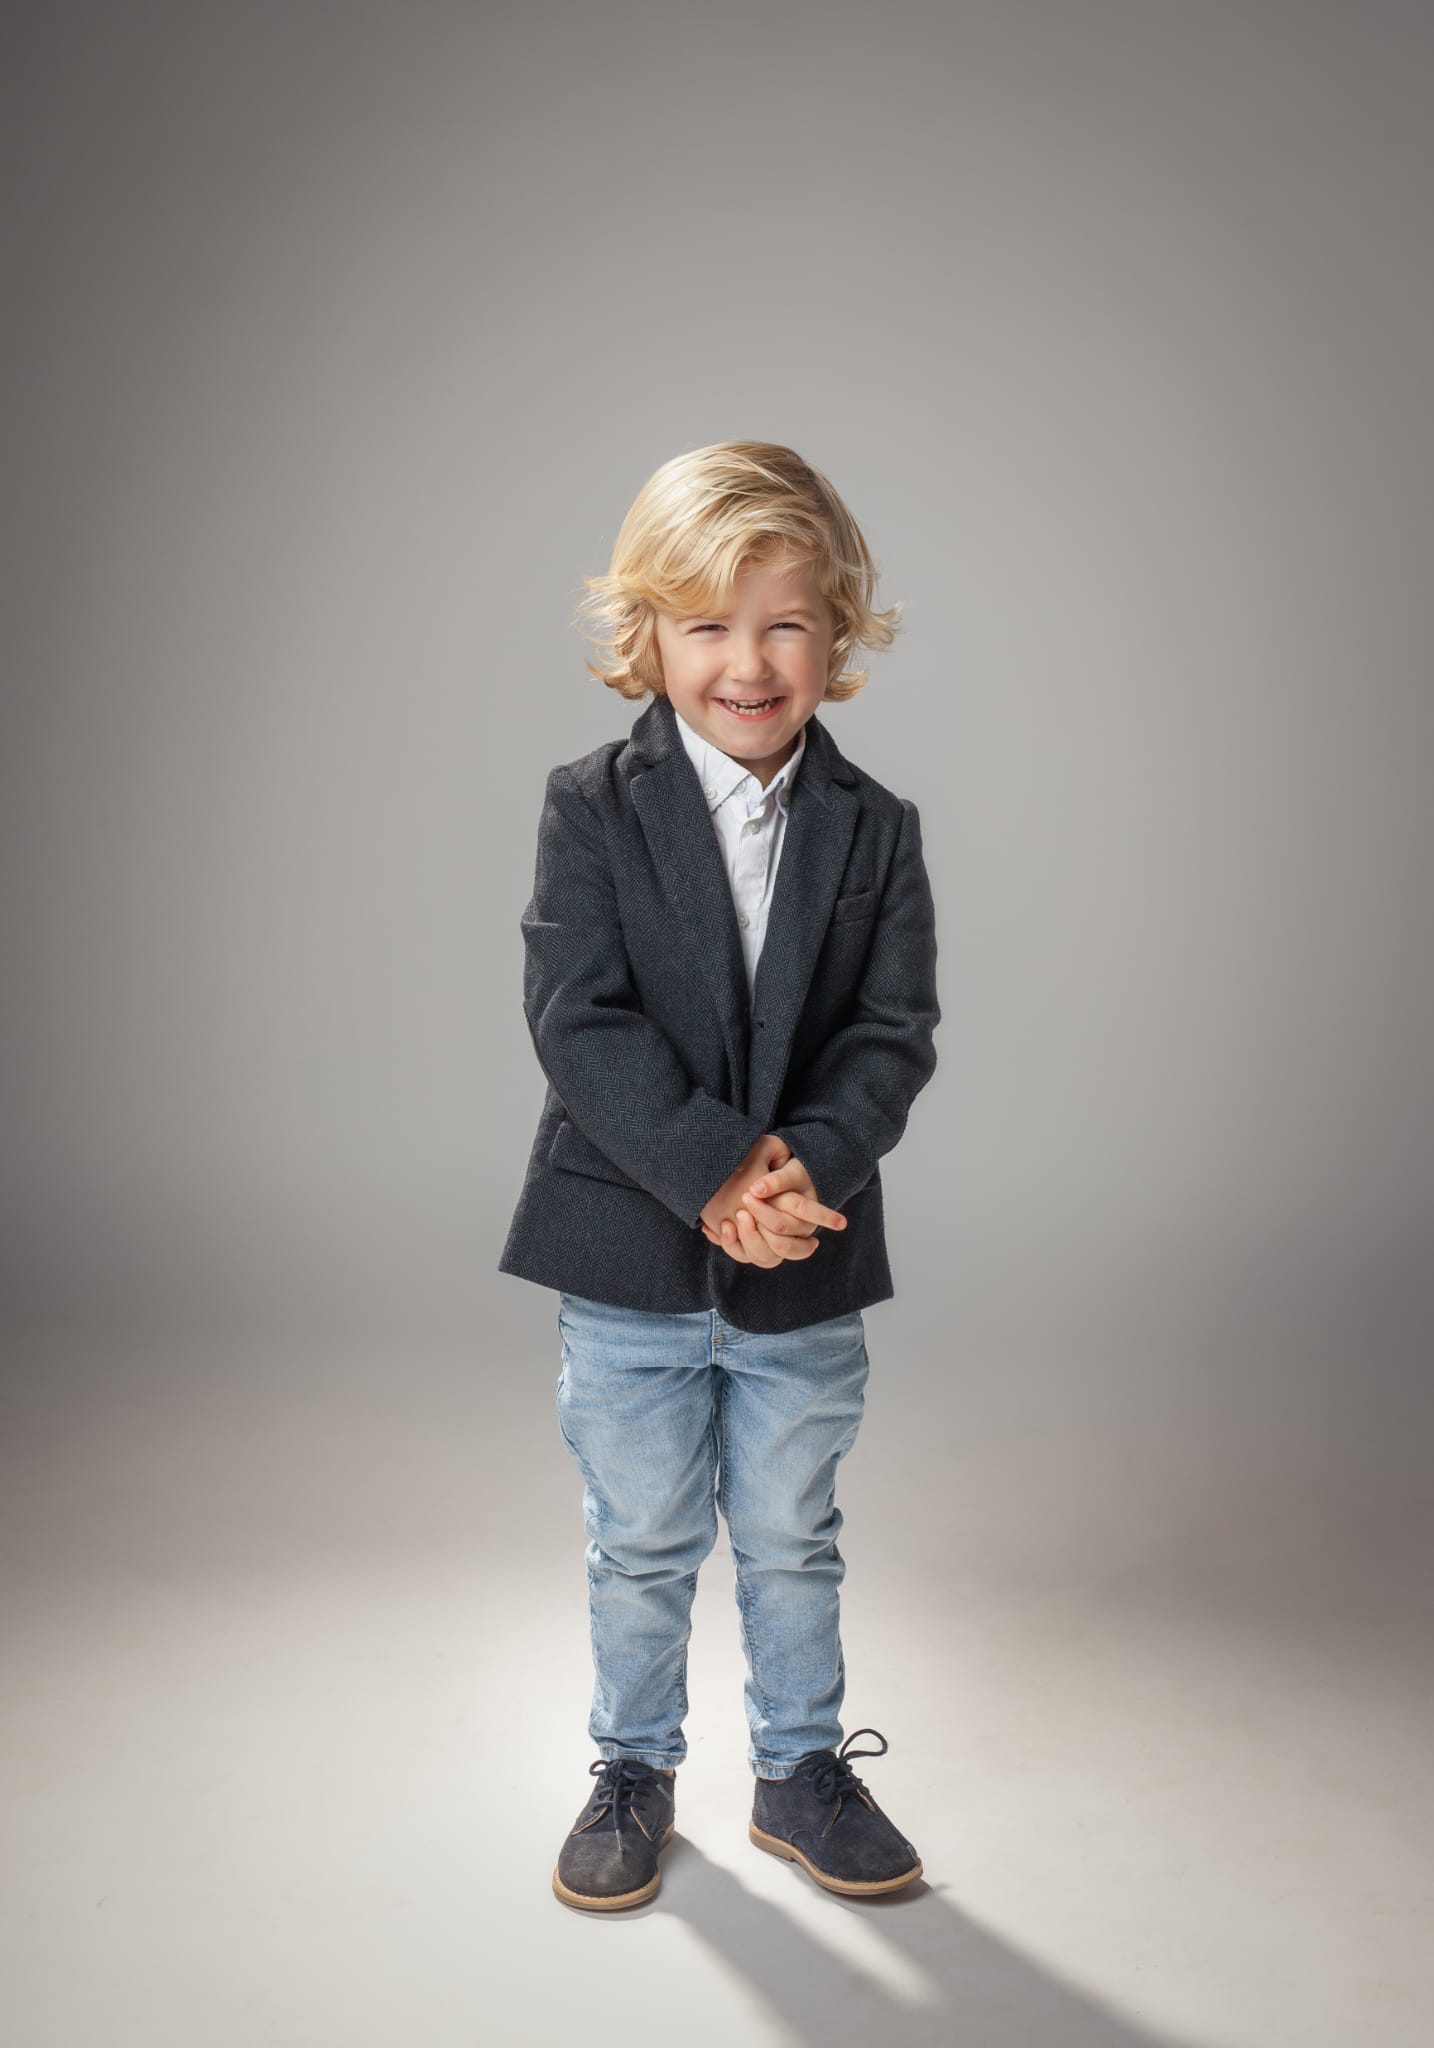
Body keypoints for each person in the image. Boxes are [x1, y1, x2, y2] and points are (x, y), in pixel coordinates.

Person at [498, 440, 941, 1911]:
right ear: (648, 636)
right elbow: (579, 1018)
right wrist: (717, 1174)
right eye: (708, 625)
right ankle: (632, 1768)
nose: (748, 664)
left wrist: (793, 1172)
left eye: (785, 625)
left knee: (794, 1535)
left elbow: (888, 1034)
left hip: (805, 1250)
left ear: (837, 634)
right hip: (625, 1254)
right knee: (640, 1541)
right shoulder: (590, 806)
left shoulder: (876, 829)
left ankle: (800, 1769)